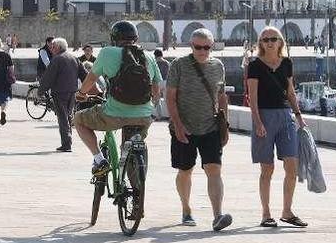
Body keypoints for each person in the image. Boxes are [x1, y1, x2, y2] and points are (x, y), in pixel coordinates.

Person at [74, 21, 161, 220]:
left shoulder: (107, 53)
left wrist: (80, 94)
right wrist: (151, 107)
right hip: (144, 116)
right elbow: (156, 88)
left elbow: (90, 80)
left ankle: (99, 160)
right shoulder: (148, 56)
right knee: (130, 151)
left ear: (114, 39)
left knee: (79, 119)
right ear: (136, 39)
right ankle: (138, 203)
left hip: (114, 114)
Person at [166, 28, 232, 232]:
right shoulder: (179, 65)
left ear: (211, 46)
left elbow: (221, 96)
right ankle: (186, 210)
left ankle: (217, 215)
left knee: (214, 169)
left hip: (210, 126)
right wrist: (177, 124)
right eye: (198, 47)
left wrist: (225, 124)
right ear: (191, 46)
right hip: (184, 128)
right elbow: (170, 97)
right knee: (185, 170)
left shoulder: (218, 66)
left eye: (206, 47)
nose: (202, 51)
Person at [247, 26, 308, 228]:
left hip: (285, 116)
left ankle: (287, 211)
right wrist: (257, 122)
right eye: (265, 40)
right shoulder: (255, 65)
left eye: (274, 39)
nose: (270, 42)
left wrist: (298, 116)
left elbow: (290, 92)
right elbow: (252, 97)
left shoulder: (287, 63)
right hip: (264, 115)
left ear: (280, 42)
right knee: (267, 168)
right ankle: (266, 213)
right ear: (260, 43)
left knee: (292, 166)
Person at [38, 37, 83, 152]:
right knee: (68, 116)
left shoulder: (57, 59)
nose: (51, 49)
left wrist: (40, 91)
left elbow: (48, 78)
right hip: (72, 92)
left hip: (59, 92)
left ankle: (66, 144)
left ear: (58, 47)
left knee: (62, 118)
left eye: (53, 47)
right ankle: (68, 141)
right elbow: (84, 75)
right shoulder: (73, 58)